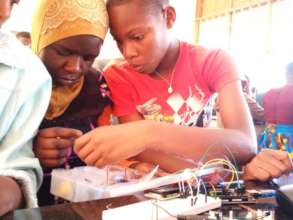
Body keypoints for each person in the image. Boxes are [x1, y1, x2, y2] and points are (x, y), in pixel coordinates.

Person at [74, 0, 256, 173]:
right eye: (119, 41)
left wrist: (149, 133)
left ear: (168, 17)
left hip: (204, 182)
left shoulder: (213, 61)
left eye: (137, 37)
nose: (128, 52)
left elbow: (245, 143)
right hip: (166, 184)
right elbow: (140, 150)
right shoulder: (118, 75)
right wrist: (198, 172)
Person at [31, 0, 111, 206]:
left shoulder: (96, 84)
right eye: (64, 52)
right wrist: (30, 151)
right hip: (30, 206)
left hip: (84, 204)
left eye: (88, 57)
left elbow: (107, 140)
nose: (75, 67)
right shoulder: (15, 84)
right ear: (41, 39)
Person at [0, 0, 51, 216]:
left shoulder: (28, 72)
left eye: (12, 1)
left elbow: (15, 166)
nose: (4, 11)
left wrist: (8, 192)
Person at [243, 62, 293, 181]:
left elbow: (264, 114)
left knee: (266, 171)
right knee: (286, 174)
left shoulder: (269, 92)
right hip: (289, 138)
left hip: (269, 135)